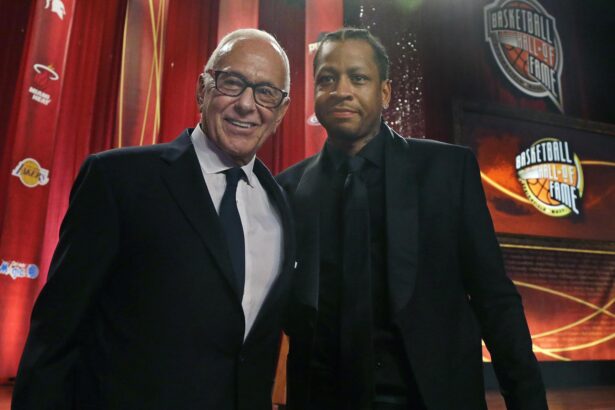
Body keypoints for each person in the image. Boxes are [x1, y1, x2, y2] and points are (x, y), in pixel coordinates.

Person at [13, 28, 294, 410]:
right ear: (202, 89)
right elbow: (55, 335)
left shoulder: (282, 207)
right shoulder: (117, 180)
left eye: (266, 92)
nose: (247, 104)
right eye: (232, 82)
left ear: (280, 112)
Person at [277, 28, 547, 410]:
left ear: (385, 92)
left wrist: (528, 402)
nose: (341, 90)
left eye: (358, 78)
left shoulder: (448, 171)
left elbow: (494, 299)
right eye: (327, 79)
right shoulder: (287, 190)